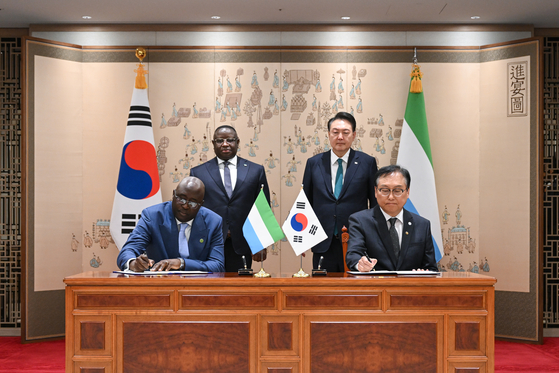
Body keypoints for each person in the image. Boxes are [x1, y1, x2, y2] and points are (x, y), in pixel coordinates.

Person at [302, 111, 378, 272]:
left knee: (356, 292)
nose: (340, 137)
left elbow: (375, 203)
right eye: (335, 132)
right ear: (329, 134)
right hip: (322, 240)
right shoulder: (314, 163)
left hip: (357, 241)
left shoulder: (367, 162)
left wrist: (375, 238)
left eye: (345, 132)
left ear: (354, 135)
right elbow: (305, 202)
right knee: (323, 292)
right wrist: (302, 238)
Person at [190, 125, 270, 272]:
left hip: (242, 244)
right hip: (208, 244)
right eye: (220, 140)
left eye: (230, 140)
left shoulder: (255, 170)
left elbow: (262, 209)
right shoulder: (198, 172)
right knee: (208, 291)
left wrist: (260, 243)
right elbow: (192, 210)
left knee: (239, 291)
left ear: (237, 142)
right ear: (213, 143)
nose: (225, 144)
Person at [116, 176, 225, 272]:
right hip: (160, 287)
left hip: (197, 288)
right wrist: (133, 263)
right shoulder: (152, 216)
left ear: (201, 204)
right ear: (173, 194)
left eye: (192, 203)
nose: (185, 206)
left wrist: (181, 263)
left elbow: (218, 265)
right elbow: (129, 249)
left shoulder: (213, 222)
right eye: (181, 199)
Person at [345, 165, 437, 272]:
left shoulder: (422, 225)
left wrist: (423, 273)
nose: (391, 197)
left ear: (407, 192)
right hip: (375, 285)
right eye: (385, 190)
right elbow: (354, 255)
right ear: (375, 191)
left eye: (397, 190)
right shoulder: (360, 221)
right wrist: (361, 264)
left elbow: (430, 267)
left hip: (410, 286)